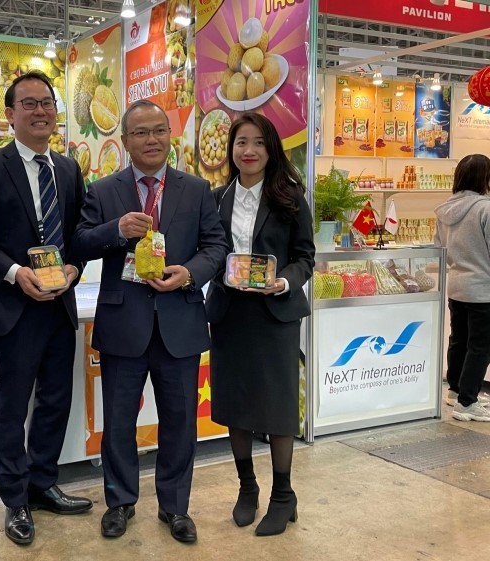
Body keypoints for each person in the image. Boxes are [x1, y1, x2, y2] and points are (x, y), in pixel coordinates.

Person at [72, 99, 227, 543]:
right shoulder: (104, 190)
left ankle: (175, 507)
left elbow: (216, 247)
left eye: (159, 130)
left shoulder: (196, 189)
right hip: (124, 325)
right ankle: (120, 502)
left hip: (180, 322)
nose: (152, 139)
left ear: (169, 136)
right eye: (141, 132)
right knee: (119, 422)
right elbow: (79, 243)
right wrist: (116, 230)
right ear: (125, 140)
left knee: (180, 422)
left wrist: (189, 274)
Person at [0, 70, 91, 546]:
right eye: (29, 104)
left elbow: (78, 234)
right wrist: (16, 273)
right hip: (13, 305)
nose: (40, 111)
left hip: (59, 304)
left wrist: (74, 267)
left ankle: (42, 483)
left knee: (56, 398)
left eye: (46, 103)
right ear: (10, 114)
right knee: (12, 406)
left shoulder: (68, 169)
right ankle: (15, 499)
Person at [205, 111, 315, 537]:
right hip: (230, 314)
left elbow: (305, 257)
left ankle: (283, 495)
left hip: (275, 316)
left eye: (258, 142)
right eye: (240, 142)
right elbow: (210, 252)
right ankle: (247, 488)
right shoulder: (216, 199)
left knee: (277, 404)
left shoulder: (289, 197)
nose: (248, 150)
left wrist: (283, 281)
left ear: (271, 149)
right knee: (236, 403)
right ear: (231, 149)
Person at [434, 153, 490, 421]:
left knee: (459, 341)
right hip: (482, 289)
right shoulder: (485, 208)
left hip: (456, 285)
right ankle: (468, 402)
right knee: (480, 346)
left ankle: (456, 391)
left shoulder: (444, 210)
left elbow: (439, 249)